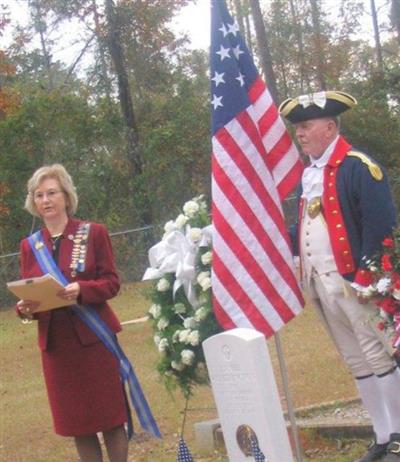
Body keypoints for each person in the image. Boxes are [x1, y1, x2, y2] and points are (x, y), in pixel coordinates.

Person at [279, 91, 400, 462]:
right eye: (297, 128)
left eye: (306, 126)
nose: (299, 134)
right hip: (320, 282)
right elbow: (304, 226)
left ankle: (398, 432)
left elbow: (380, 227)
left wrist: (367, 279)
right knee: (354, 359)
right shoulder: (308, 174)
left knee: (378, 355)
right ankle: (381, 434)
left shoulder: (358, 166)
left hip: (354, 282)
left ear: (330, 127)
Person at [16, 164, 129, 462]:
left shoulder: (93, 233)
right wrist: (25, 308)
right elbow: (32, 291)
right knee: (79, 424)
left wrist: (82, 290)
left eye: (52, 193)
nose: (45, 200)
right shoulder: (29, 246)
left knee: (111, 418)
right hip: (58, 347)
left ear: (66, 196)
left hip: (95, 340)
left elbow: (112, 282)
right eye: (39, 195)